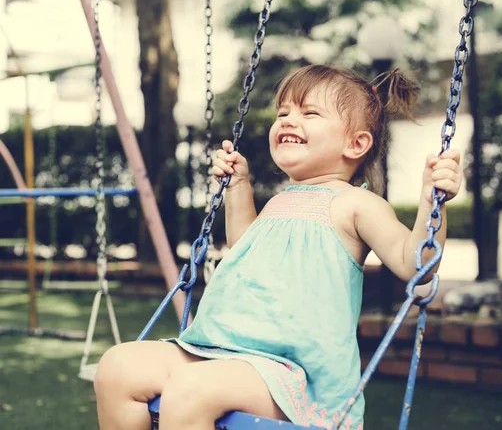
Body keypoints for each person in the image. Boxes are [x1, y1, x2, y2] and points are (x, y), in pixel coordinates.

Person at [93, 64, 463, 430]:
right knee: (118, 366)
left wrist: (433, 201)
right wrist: (238, 187)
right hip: (220, 352)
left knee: (190, 390)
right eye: (283, 112)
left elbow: (414, 263)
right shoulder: (278, 202)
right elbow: (244, 251)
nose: (288, 119)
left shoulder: (356, 204)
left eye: (309, 112)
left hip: (291, 374)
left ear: (356, 143)